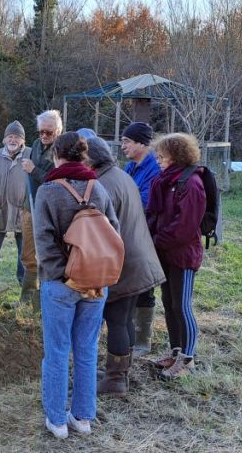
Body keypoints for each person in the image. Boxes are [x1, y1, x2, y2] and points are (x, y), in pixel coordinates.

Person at [33, 132, 117, 439]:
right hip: (96, 282)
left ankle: (56, 420)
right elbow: (114, 231)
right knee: (87, 349)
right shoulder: (99, 187)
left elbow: (42, 239)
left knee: (56, 351)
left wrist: (61, 274)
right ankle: (83, 418)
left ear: (57, 154)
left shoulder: (48, 191)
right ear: (83, 155)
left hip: (61, 284)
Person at [85, 138, 165, 395]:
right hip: (137, 258)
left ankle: (116, 379)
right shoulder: (120, 175)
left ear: (90, 160)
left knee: (117, 321)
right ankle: (117, 371)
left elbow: (100, 232)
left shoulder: (102, 185)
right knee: (125, 319)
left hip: (124, 263)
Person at [145, 132, 206, 381]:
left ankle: (187, 360)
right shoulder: (165, 181)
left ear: (177, 155)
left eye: (163, 155)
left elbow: (185, 226)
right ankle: (176, 352)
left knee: (182, 306)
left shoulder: (191, 184)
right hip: (165, 253)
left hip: (182, 255)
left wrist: (156, 241)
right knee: (169, 305)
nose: (158, 159)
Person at [120, 121, 162, 355]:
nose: (122, 145)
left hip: (147, 235)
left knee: (144, 286)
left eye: (127, 141)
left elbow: (145, 202)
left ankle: (143, 339)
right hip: (128, 233)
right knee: (130, 283)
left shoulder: (154, 168)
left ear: (141, 143)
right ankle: (129, 333)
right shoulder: (129, 167)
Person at [18, 109, 63, 307]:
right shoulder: (36, 145)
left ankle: (46, 300)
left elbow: (56, 180)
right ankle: (28, 298)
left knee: (47, 253)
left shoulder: (62, 150)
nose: (44, 136)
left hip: (49, 210)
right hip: (30, 206)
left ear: (58, 132)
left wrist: (33, 170)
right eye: (41, 132)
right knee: (27, 253)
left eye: (49, 133)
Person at [0, 121, 30, 284]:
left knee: (25, 251)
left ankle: (24, 282)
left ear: (23, 140)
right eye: (10, 136)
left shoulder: (30, 155)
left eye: (17, 137)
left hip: (24, 213)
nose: (13, 140)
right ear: (4, 139)